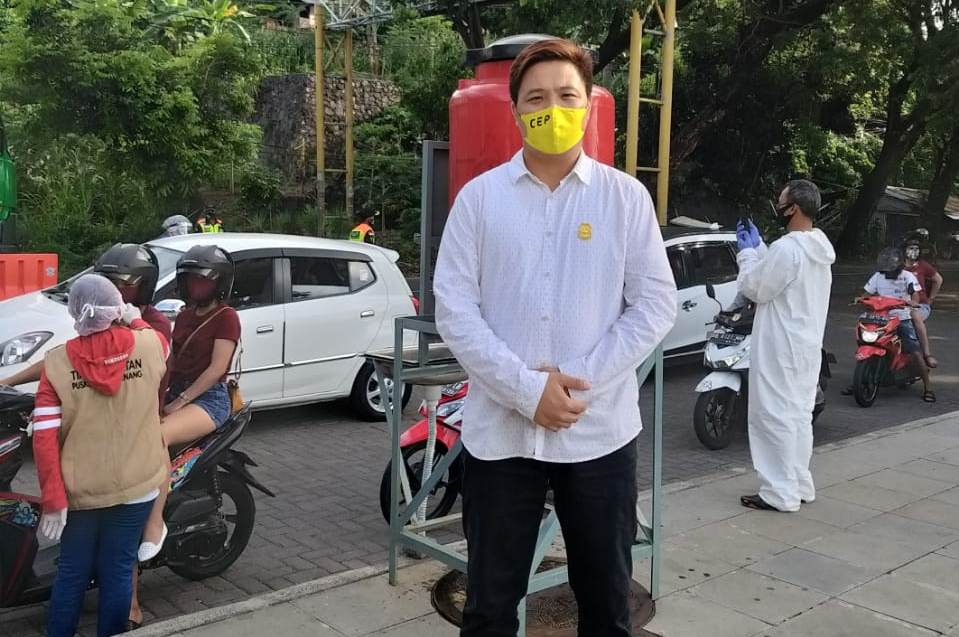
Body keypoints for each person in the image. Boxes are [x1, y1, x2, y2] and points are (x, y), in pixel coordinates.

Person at [433, 38, 677, 636]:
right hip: (501, 437)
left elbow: (655, 304)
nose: (553, 109)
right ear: (515, 111)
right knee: (489, 606)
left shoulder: (625, 199)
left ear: (588, 105)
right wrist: (526, 390)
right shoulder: (479, 200)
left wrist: (576, 386)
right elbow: (454, 308)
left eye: (567, 95)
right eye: (536, 98)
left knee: (607, 606)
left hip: (599, 435)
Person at [32, 274, 169, 637]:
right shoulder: (149, 345)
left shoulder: (56, 364)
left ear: (75, 312)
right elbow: (161, 343)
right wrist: (134, 318)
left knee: (72, 572)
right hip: (137, 485)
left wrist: (53, 499)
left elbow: (44, 438)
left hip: (80, 493)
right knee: (119, 569)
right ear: (115, 309)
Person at [735, 179, 835, 513]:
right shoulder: (817, 248)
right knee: (798, 417)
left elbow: (756, 287)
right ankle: (799, 483)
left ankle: (779, 492)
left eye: (781, 203)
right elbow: (783, 276)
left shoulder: (787, 249)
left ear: (793, 208)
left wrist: (747, 254)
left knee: (772, 416)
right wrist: (762, 249)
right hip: (805, 347)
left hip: (779, 347)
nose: (777, 208)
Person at [136, 244, 239, 561]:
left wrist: (178, 402)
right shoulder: (182, 316)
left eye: (203, 280)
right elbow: (170, 362)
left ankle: (154, 524)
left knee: (158, 436)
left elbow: (216, 369)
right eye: (191, 280)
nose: (196, 286)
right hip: (176, 392)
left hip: (209, 400)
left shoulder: (227, 318)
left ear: (218, 283)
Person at [0, 243, 171, 388]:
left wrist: (135, 322)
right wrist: (8, 382)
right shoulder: (101, 317)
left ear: (144, 286)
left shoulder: (155, 325)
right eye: (104, 280)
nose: (109, 288)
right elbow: (67, 357)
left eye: (119, 282)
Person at [859, 247, 935, 402]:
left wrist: (912, 302)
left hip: (901, 317)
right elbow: (866, 294)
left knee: (914, 351)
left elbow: (915, 295)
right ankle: (859, 380)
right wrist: (860, 299)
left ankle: (928, 387)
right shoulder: (878, 276)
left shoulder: (907, 276)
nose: (888, 272)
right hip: (880, 317)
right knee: (864, 341)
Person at [903, 237, 942, 369]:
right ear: (904, 250)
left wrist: (931, 299)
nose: (914, 251)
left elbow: (938, 279)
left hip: (920, 305)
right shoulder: (897, 266)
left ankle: (926, 354)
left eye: (916, 249)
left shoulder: (922, 265)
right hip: (899, 304)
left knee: (915, 316)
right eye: (911, 248)